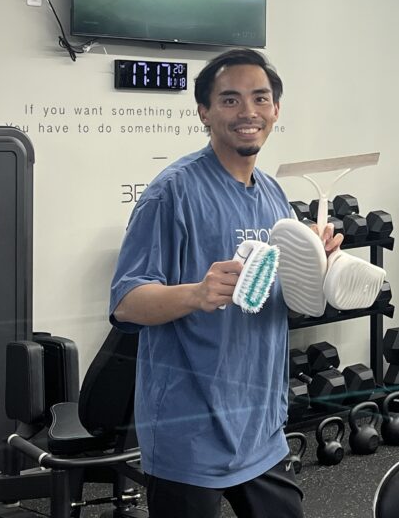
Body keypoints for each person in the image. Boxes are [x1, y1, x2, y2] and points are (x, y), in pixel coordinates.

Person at [109, 48, 342, 518]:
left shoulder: (274, 195)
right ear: (205, 112)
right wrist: (196, 294)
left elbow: (284, 302)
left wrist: (316, 267)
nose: (248, 111)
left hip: (261, 428)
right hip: (189, 433)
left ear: (276, 110)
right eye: (230, 100)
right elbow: (126, 302)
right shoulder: (172, 193)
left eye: (260, 98)